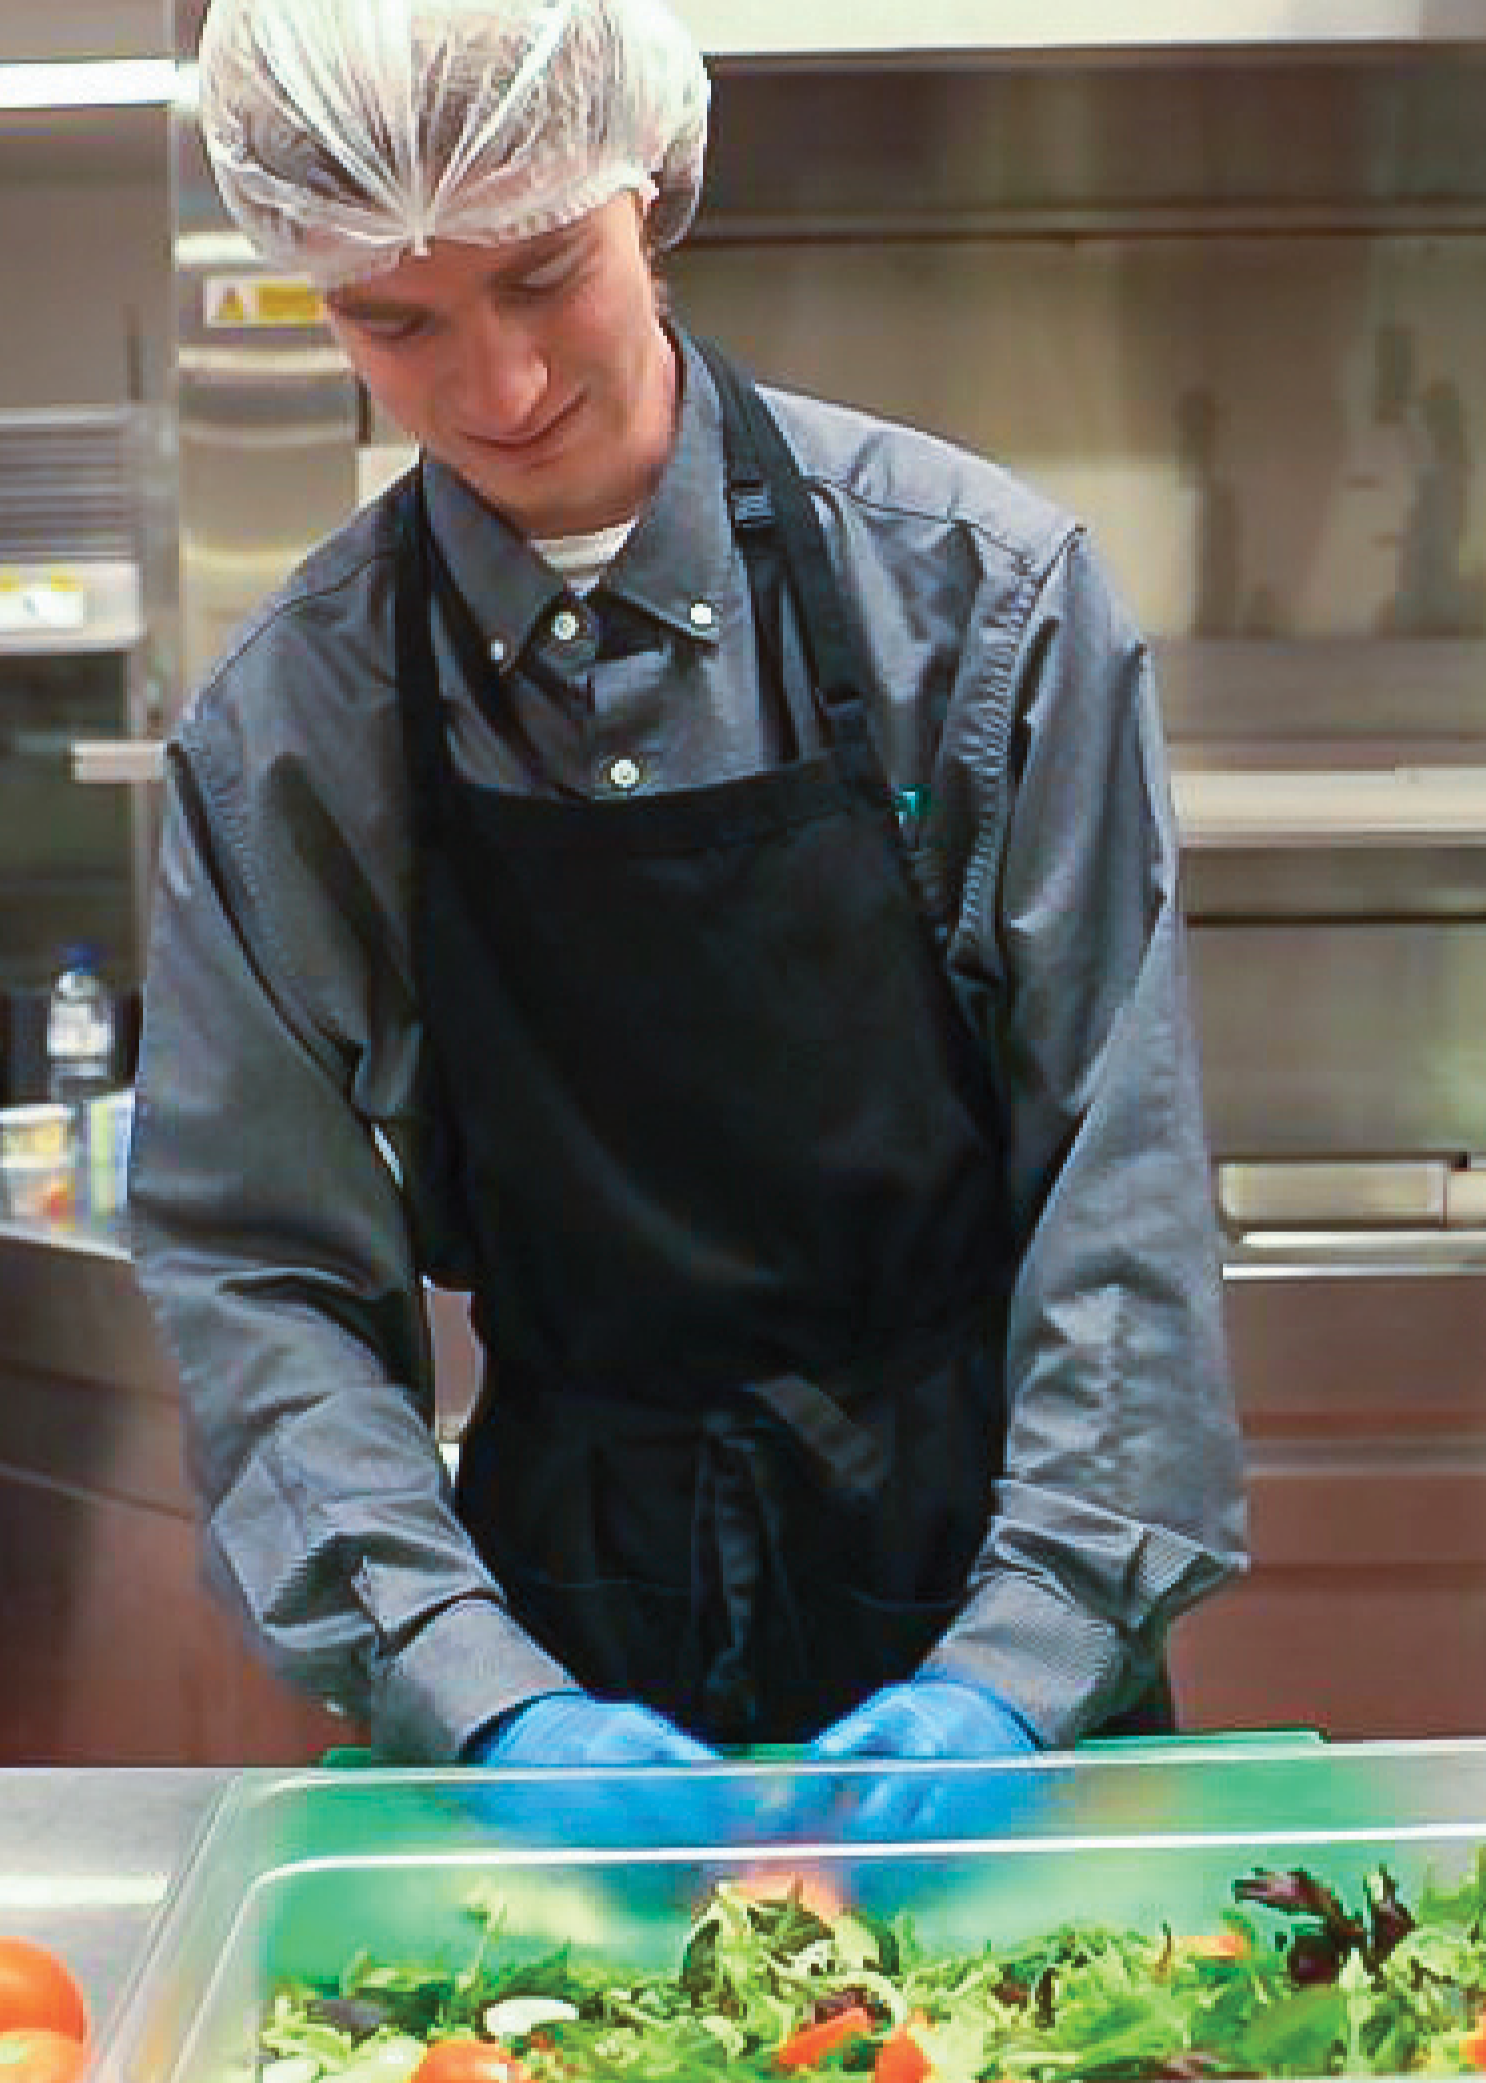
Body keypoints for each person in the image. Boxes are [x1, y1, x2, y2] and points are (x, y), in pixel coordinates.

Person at [130, 0, 1245, 1781]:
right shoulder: (292, 724)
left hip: (985, 1582)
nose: (494, 389)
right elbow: (258, 1264)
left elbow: (1115, 1188)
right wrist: (477, 1695)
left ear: (646, 185)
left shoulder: (982, 606)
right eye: (392, 321)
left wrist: (1022, 1665)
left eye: (544, 274)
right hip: (553, 1607)